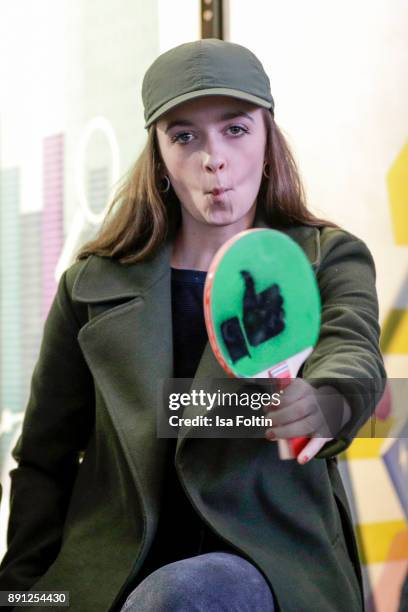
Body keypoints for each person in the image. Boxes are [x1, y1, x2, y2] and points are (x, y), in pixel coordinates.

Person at [0, 39, 385, 611]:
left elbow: (352, 354)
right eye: (184, 136)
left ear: (268, 139)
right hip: (104, 580)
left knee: (192, 592)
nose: (214, 159)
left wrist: (325, 400)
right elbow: (43, 462)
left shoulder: (327, 258)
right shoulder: (89, 284)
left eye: (235, 129)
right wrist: (24, 596)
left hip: (266, 569)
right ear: (157, 152)